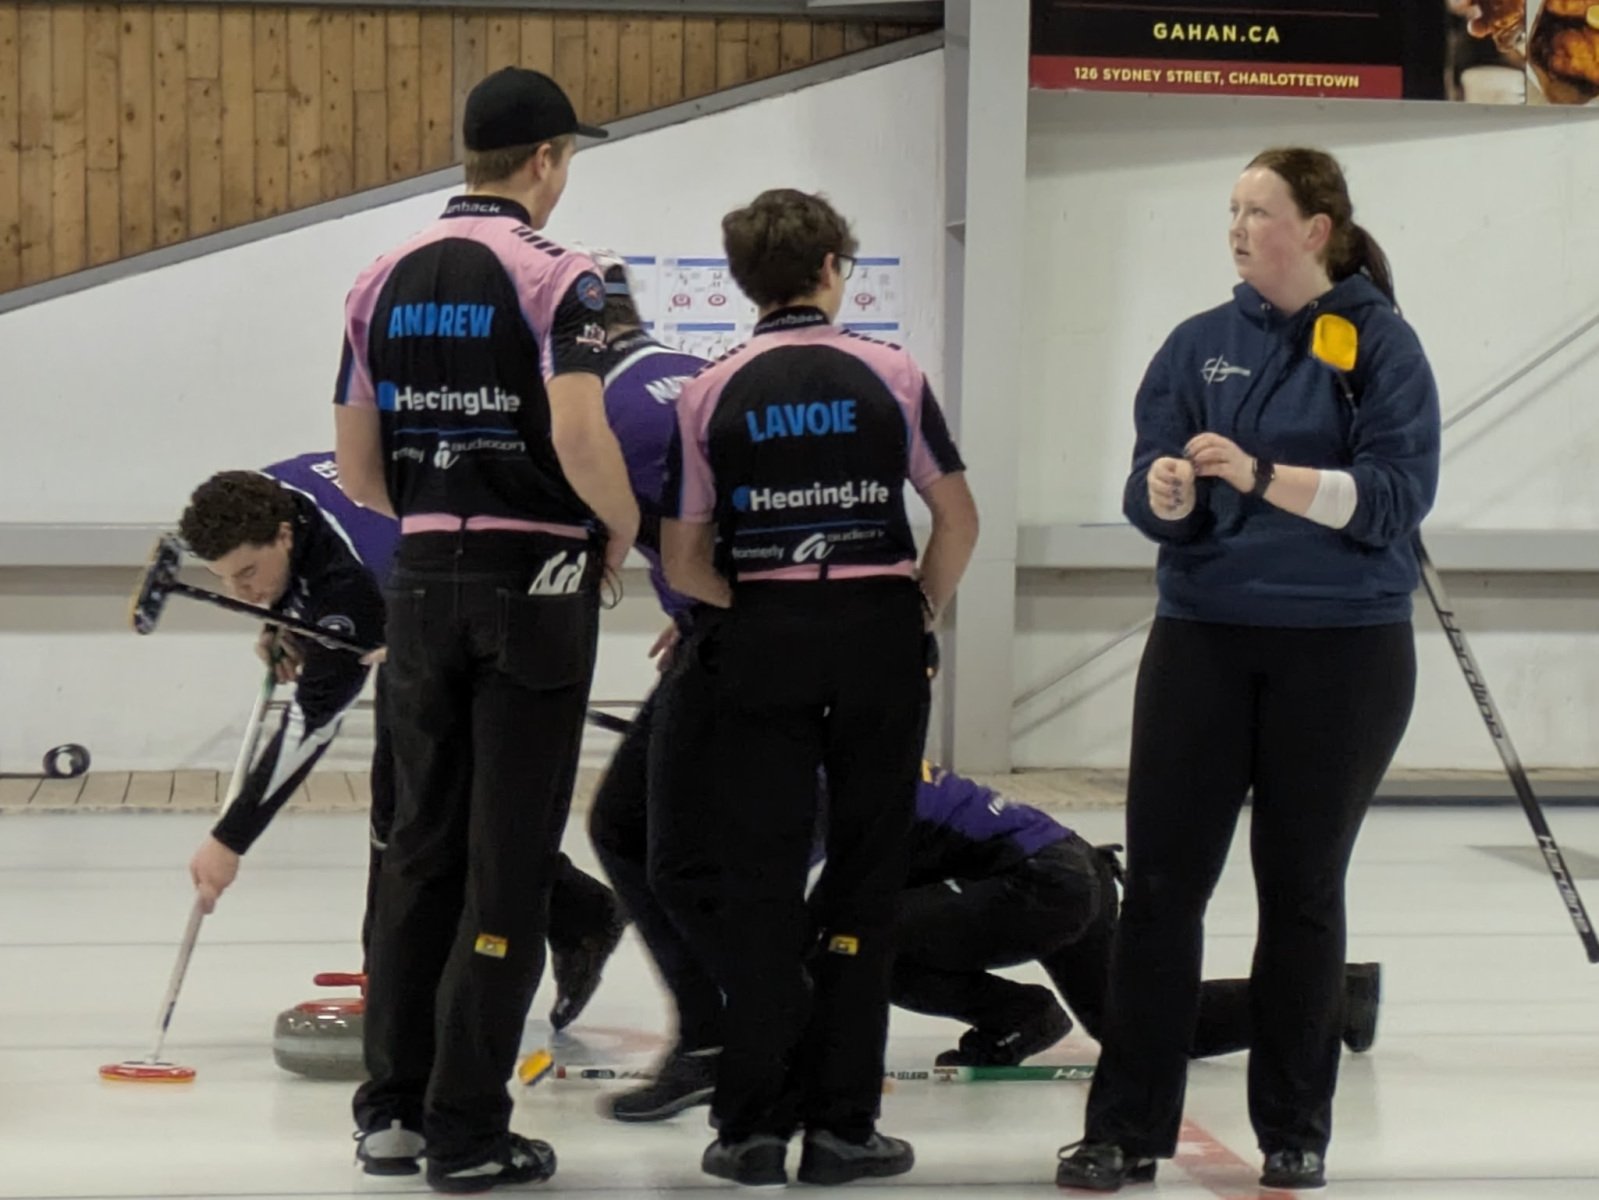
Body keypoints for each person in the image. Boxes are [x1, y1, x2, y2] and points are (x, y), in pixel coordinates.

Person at [1056, 147, 1440, 1193]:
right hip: (1205, 639)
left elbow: (1393, 500)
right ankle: (1125, 1127)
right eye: (1229, 208)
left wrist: (1264, 476)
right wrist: (1167, 495)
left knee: (1300, 888)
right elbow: (1147, 485)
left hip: (1343, 650)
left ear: (1314, 229)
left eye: (1257, 210)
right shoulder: (1199, 344)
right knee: (1162, 889)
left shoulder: (1378, 344)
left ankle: (1295, 1128)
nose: (1236, 226)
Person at [332, 67, 640, 1192]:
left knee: (415, 849)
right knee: (507, 862)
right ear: (546, 160)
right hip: (536, 579)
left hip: (420, 578)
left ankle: (391, 1112)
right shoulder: (565, 274)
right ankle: (467, 1129)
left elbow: (359, 470)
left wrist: (440, 508)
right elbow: (582, 433)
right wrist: (619, 527)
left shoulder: (379, 276)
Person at [657, 188, 979, 1188]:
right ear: (835, 268)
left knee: (760, 879)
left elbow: (684, 559)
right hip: (877, 630)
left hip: (763, 635)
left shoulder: (708, 391)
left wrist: (750, 604)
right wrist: (919, 609)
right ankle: (843, 1128)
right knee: (865, 878)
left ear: (741, 282)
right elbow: (958, 519)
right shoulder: (893, 372)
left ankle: (750, 1128)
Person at [178, 458, 625, 1029]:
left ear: (284, 535)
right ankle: (392, 973)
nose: (240, 591)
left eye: (247, 574)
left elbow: (311, 725)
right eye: (225, 580)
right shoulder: (269, 490)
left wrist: (230, 838)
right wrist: (283, 619)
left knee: (438, 813)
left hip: (506, 607)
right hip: (435, 594)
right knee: (399, 812)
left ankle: (572, 921)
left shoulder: (347, 589)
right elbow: (319, 575)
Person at [891, 764, 1381, 1070]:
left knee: (864, 940)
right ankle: (1334, 995)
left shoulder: (851, 786)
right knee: (1145, 1027)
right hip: (1072, 868)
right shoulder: (868, 763)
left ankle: (1015, 1015)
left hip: (1039, 883)